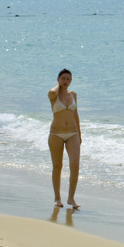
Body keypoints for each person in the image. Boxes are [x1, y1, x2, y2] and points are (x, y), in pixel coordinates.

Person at [48, 68, 82, 210]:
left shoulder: (73, 94)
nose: (65, 81)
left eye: (68, 79)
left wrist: (80, 134)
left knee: (75, 165)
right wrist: (58, 86)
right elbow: (51, 92)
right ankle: (57, 198)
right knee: (57, 166)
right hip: (56, 134)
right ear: (58, 80)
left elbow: (76, 115)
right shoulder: (53, 95)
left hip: (72, 134)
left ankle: (71, 198)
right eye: (63, 79)